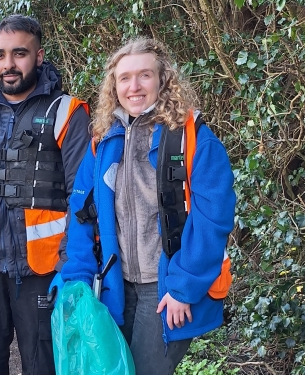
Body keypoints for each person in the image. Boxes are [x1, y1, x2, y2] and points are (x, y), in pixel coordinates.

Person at [57, 37, 236, 374]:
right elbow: (81, 211)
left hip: (167, 285)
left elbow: (213, 220)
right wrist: (77, 278)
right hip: (114, 284)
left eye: (145, 76)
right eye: (124, 78)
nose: (134, 86)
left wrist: (184, 288)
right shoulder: (104, 139)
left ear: (163, 80)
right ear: (114, 85)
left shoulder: (192, 138)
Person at [0, 15, 91, 375]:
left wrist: (73, 262)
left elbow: (82, 196)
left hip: (43, 265)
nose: (8, 64)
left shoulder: (67, 112)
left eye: (19, 53)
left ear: (39, 56)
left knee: (42, 362)